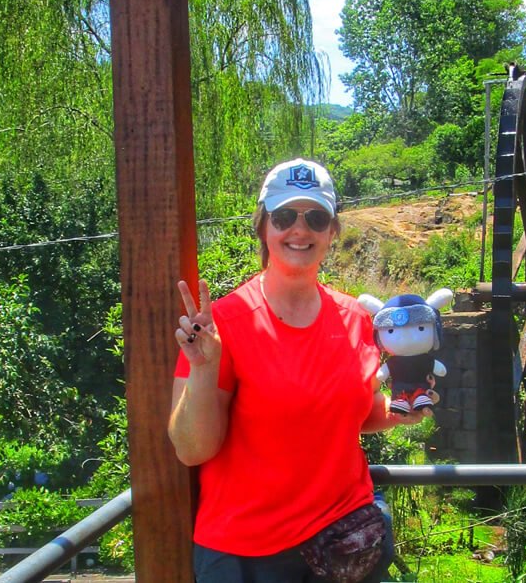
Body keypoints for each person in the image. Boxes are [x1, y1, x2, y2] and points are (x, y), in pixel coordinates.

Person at [169, 158, 432, 582]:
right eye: (285, 216)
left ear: (332, 231)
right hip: (248, 553)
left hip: (344, 544)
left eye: (316, 217)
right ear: (263, 226)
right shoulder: (222, 326)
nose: (300, 229)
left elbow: (357, 415)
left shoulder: (356, 319)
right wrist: (204, 369)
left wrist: (404, 408)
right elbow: (191, 450)